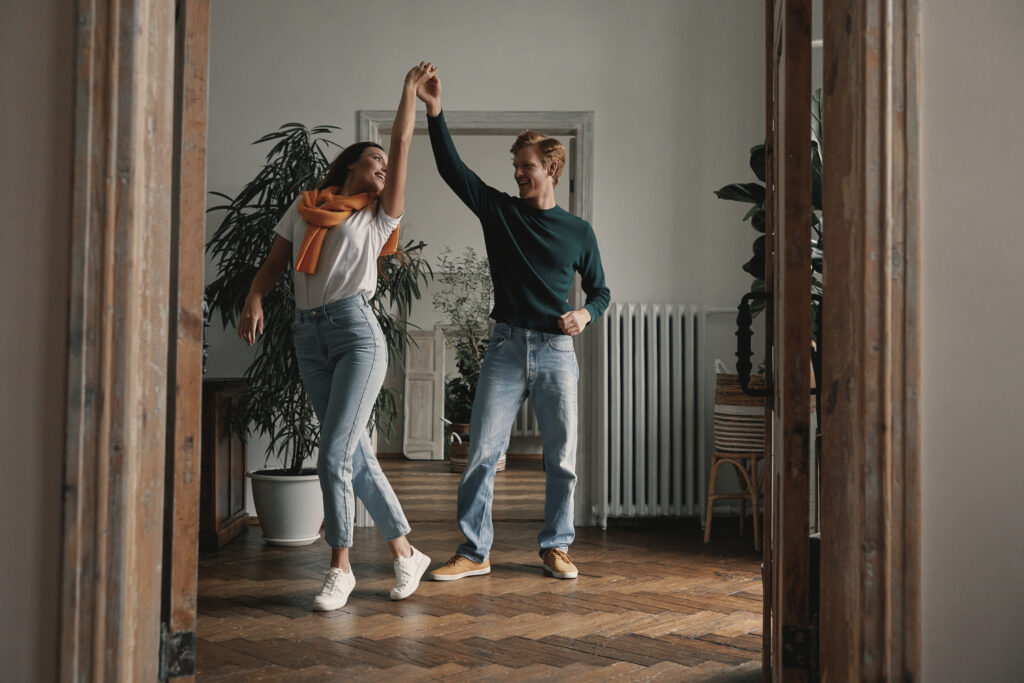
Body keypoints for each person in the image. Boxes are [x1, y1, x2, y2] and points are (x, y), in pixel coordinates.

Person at [237, 63, 436, 611]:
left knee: (332, 454)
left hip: (357, 335)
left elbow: (400, 139)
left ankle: (340, 567)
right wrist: (254, 297)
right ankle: (406, 553)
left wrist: (407, 93)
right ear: (350, 164)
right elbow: (274, 267)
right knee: (353, 455)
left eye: (386, 165)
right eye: (374, 160)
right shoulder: (303, 209)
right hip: (307, 336)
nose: (383, 167)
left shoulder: (378, 218)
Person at [417, 72, 611, 582]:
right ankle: (475, 550)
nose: (519, 174)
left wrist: (585, 314)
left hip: (555, 352)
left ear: (550, 168)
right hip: (505, 348)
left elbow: (601, 291)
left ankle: (556, 547)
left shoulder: (578, 232)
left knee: (561, 458)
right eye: (515, 167)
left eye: (526, 167)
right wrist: (436, 113)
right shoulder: (499, 211)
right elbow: (452, 170)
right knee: (482, 452)